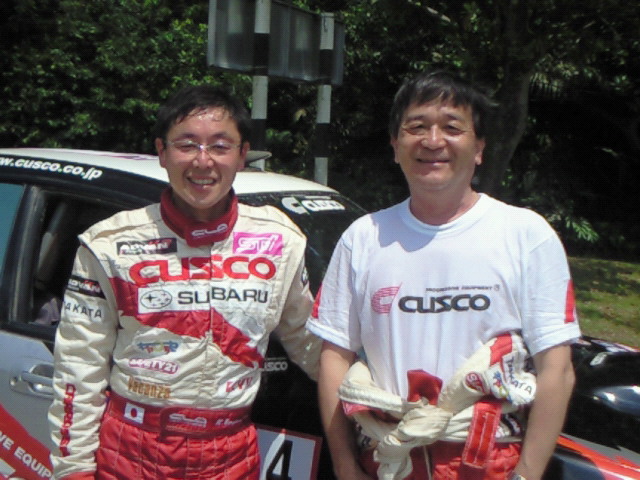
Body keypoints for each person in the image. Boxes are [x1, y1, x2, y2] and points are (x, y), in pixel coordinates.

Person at [307, 70, 581, 480]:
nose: (433, 141)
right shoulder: (363, 237)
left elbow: (557, 368)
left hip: (488, 462)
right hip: (389, 459)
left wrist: (526, 474)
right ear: (395, 145)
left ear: (479, 147)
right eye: (416, 127)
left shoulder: (526, 235)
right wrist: (345, 466)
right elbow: (334, 357)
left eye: (452, 128)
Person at [48, 85, 320, 480]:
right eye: (187, 145)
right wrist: (73, 470)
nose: (203, 161)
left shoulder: (281, 240)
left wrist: (369, 397)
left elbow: (309, 342)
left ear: (242, 154)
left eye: (220, 146)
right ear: (162, 152)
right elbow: (78, 365)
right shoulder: (108, 243)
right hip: (131, 449)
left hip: (231, 452)